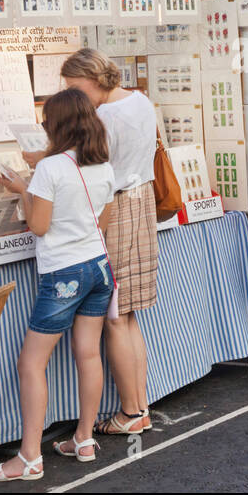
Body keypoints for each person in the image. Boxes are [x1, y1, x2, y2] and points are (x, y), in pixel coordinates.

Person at [0, 89, 116, 479]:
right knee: (88, 354)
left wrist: (23, 190)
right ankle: (84, 438)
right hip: (98, 267)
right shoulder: (105, 165)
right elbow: (102, 224)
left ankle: (28, 457)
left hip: (63, 273)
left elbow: (39, 226)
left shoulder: (50, 169)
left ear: (56, 126)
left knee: (31, 362)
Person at [54, 49, 159, 436]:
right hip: (141, 201)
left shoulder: (103, 117)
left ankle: (131, 413)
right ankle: (139, 407)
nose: (72, 94)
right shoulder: (140, 100)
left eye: (74, 86)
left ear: (93, 79)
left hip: (114, 208)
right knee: (128, 315)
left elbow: (92, 172)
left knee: (114, 316)